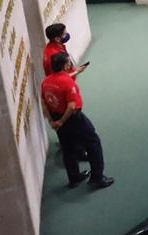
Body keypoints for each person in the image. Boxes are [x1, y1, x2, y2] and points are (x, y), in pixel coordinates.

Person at [41, 52, 114, 190]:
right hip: (72, 118)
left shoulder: (46, 82)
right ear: (65, 65)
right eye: (68, 62)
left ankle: (74, 177)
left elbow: (44, 103)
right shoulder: (67, 82)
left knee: (68, 148)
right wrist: (62, 121)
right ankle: (97, 178)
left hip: (56, 117)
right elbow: (72, 106)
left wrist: (53, 121)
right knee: (93, 142)